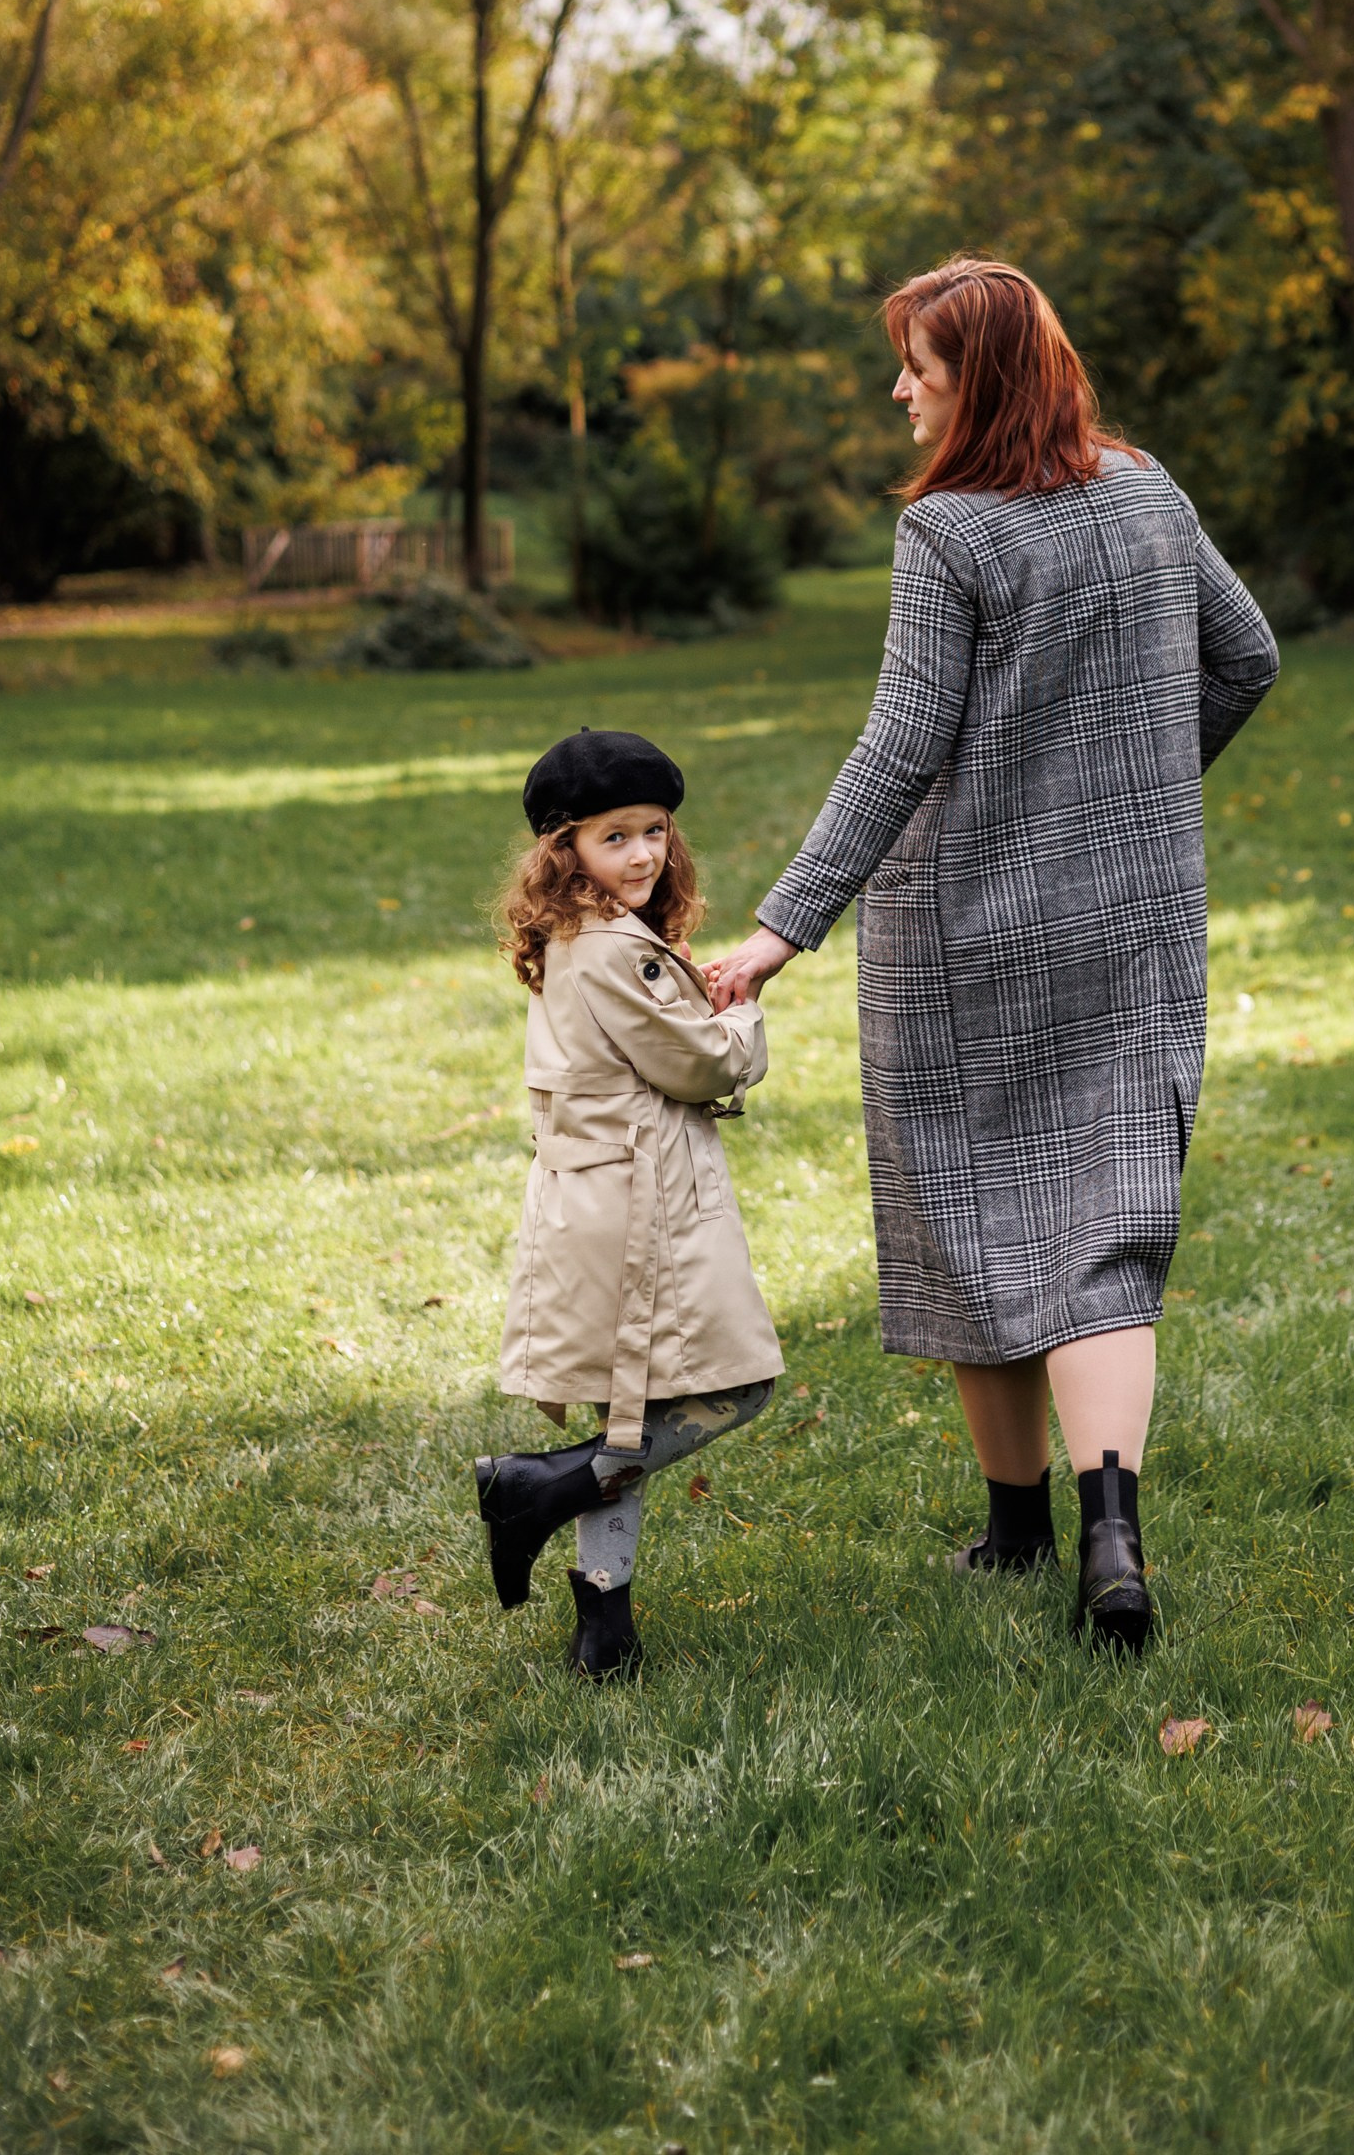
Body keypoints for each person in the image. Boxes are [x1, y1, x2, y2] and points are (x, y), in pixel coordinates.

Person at [706, 259, 1278, 1653]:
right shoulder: (1149, 492)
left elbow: (904, 743)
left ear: (985, 380)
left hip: (963, 929)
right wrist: (1136, 796)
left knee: (972, 1208)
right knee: (1106, 1228)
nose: (902, 389)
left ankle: (1017, 1528)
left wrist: (784, 927)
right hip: (1136, 916)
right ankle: (1107, 1538)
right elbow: (1247, 655)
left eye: (922, 366)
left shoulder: (951, 532)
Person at [476, 727, 782, 1681]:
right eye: (615, 837)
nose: (644, 852)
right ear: (563, 853)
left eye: (655, 830)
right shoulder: (616, 950)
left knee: (629, 1412)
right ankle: (539, 1486)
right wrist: (739, 1011)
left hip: (592, 1197)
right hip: (641, 1211)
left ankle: (602, 1635)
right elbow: (703, 1064)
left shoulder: (582, 937)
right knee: (739, 1387)